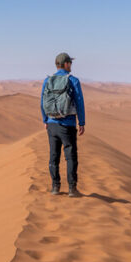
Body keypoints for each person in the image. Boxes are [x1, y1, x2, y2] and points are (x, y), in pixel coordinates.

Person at [41, 52, 86, 197]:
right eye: (70, 63)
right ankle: (72, 189)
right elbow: (79, 102)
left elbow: (42, 102)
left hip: (52, 124)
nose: (71, 65)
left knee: (54, 156)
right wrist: (82, 122)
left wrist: (45, 120)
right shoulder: (73, 80)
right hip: (68, 124)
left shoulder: (47, 81)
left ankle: (55, 187)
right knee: (70, 157)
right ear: (65, 64)